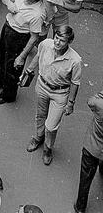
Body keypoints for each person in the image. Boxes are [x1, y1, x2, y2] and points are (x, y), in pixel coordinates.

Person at [25, 25, 81, 165]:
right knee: (40, 115)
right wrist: (29, 71)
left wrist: (70, 103)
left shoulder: (75, 60)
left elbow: (75, 83)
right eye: (56, 37)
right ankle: (38, 137)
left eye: (62, 40)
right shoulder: (45, 44)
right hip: (42, 86)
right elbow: (38, 56)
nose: (57, 42)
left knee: (51, 126)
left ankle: (48, 148)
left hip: (60, 93)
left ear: (68, 42)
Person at [0, 0, 49, 104]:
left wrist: (22, 56)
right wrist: (9, 3)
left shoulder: (37, 14)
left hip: (19, 37)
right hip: (7, 27)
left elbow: (34, 37)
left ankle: (8, 95)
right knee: (2, 57)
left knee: (13, 66)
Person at [73, 89, 103, 213]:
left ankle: (80, 207)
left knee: (86, 178)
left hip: (92, 146)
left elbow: (90, 101)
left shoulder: (99, 103)